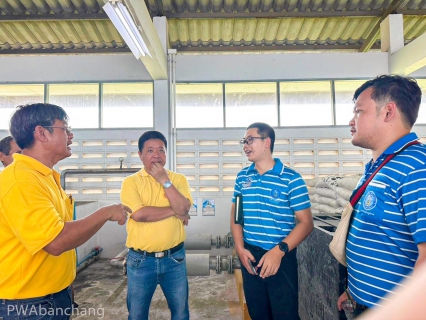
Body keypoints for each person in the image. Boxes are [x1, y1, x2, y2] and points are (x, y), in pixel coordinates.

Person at [0, 103, 131, 319]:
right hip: (27, 305)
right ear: (41, 133)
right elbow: (56, 241)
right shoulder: (20, 181)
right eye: (65, 129)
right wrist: (105, 212)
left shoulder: (45, 177)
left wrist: (66, 282)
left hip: (52, 295)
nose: (70, 136)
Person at [336, 75, 426, 317]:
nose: (351, 121)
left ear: (388, 112)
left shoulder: (417, 169)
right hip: (363, 304)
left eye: (359, 112)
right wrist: (354, 291)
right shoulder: (381, 165)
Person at [230, 122, 313, 320]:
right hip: (250, 257)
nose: (245, 145)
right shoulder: (243, 178)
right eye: (244, 141)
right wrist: (241, 250)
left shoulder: (291, 179)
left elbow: (306, 223)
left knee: (285, 314)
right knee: (258, 314)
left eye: (250, 140)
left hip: (280, 258)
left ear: (267, 142)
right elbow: (236, 217)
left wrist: (279, 251)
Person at [120, 130, 193, 320]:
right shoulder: (131, 182)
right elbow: (140, 214)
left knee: (180, 313)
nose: (156, 155)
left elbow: (184, 206)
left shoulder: (178, 180)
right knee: (136, 314)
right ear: (140, 155)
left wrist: (165, 181)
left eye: (161, 150)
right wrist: (175, 211)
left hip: (175, 259)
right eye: (150, 151)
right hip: (141, 261)